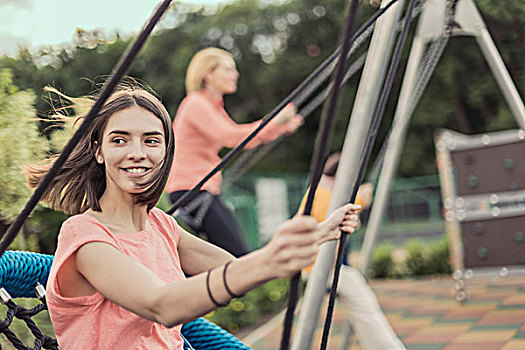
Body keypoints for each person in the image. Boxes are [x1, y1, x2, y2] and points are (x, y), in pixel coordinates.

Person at [26, 86, 361, 349]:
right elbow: (162, 305)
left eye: (151, 140)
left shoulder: (161, 225)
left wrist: (317, 235)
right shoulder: (84, 236)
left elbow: (230, 267)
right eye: (119, 140)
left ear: (165, 152)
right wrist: (269, 262)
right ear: (99, 151)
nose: (137, 153)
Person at [166, 47, 304, 257]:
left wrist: (280, 128)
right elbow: (232, 138)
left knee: (223, 258)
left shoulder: (212, 107)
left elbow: (241, 139)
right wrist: (274, 122)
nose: (235, 74)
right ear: (208, 75)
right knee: (236, 256)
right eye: (229, 69)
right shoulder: (196, 104)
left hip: (200, 189)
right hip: (192, 189)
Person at [298, 153, 406, 350]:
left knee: (358, 298)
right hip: (320, 268)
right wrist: (365, 194)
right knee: (364, 303)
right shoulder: (327, 195)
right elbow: (354, 204)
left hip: (316, 265)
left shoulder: (318, 191)